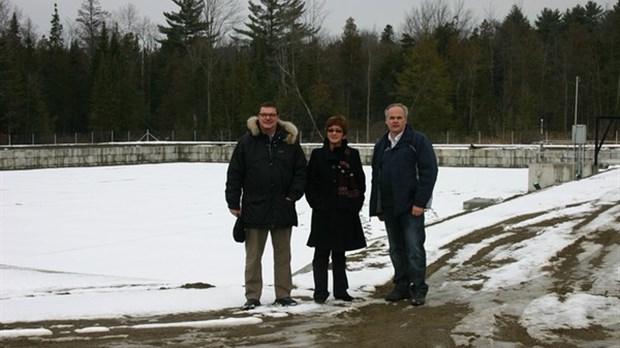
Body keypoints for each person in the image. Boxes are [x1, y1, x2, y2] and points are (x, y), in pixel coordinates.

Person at [225, 101, 307, 310]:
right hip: (254, 207)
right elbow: (235, 173)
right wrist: (233, 202)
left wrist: (292, 197)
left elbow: (301, 172)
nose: (268, 118)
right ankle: (252, 296)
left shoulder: (290, 141)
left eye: (272, 115)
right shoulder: (246, 142)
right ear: (258, 117)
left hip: (283, 206)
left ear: (277, 117)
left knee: (283, 256)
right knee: (253, 257)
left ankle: (283, 294)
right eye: (264, 115)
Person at [369, 103, 438, 307]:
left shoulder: (417, 141)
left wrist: (420, 202)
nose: (395, 121)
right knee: (395, 249)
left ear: (405, 120)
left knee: (414, 249)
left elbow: (429, 172)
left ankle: (418, 288)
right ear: (386, 121)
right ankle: (401, 285)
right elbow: (377, 177)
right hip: (390, 208)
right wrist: (378, 206)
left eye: (399, 118)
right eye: (392, 118)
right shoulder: (382, 144)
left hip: (411, 207)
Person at [305, 115, 367, 304]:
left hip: (344, 211)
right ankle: (320, 292)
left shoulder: (352, 155)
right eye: (331, 130)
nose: (334, 133)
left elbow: (360, 183)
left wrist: (354, 205)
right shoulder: (317, 155)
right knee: (321, 254)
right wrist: (317, 203)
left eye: (338, 130)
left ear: (344, 134)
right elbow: (310, 183)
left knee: (340, 253)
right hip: (323, 212)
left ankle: (341, 290)